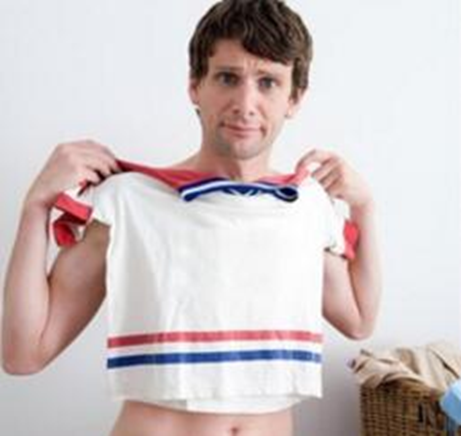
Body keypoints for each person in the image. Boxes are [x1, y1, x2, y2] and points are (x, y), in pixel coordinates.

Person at [1, 0, 382, 435]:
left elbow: (359, 320)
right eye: (227, 78)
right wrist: (35, 208)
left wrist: (365, 208)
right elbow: (23, 354)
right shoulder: (129, 202)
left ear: (294, 98)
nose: (246, 103)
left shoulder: (305, 206)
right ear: (194, 86)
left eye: (268, 82)